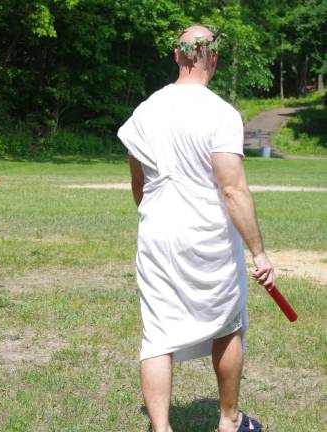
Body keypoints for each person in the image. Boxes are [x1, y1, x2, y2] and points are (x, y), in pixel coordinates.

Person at [117, 25, 274, 432]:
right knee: (227, 324)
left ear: (176, 56)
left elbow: (140, 185)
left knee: (157, 333)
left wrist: (158, 217)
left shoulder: (146, 110)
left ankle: (161, 427)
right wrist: (259, 251)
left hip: (157, 232)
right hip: (208, 234)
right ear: (214, 59)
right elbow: (232, 188)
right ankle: (229, 420)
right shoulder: (219, 112)